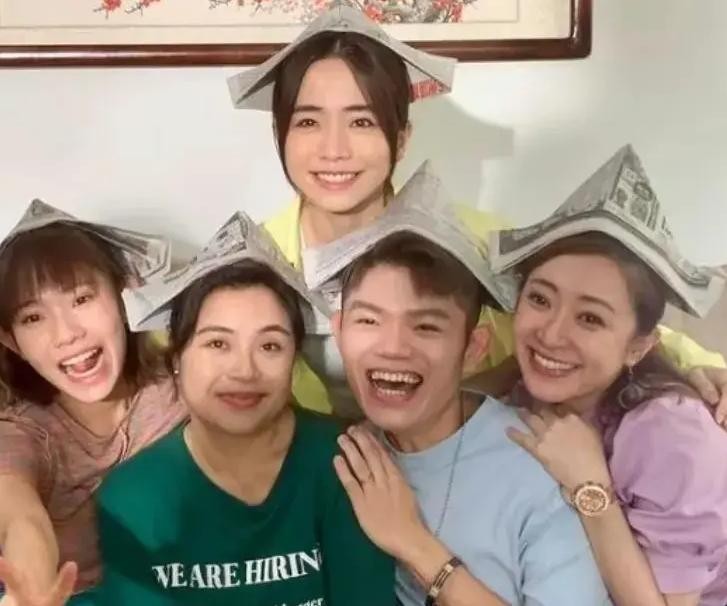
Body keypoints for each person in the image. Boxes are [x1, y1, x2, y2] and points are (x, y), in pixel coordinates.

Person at [227, 3, 727, 420]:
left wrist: (698, 365)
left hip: (464, 460)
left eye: (361, 122)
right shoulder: (257, 259)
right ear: (280, 135)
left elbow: (600, 310)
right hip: (320, 475)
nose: (334, 150)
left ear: (401, 139)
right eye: (308, 122)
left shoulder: (475, 240)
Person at [305, 183, 612, 604]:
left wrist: (414, 543)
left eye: (426, 326)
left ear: (472, 349)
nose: (393, 347)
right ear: (339, 333)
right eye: (369, 321)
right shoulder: (340, 455)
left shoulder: (538, 464)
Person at [91, 212, 395, 605]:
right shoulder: (134, 498)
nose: (244, 370)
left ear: (293, 360)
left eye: (270, 346)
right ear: (177, 358)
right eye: (218, 344)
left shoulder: (345, 463)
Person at [501, 148, 727, 605]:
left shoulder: (671, 432)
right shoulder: (526, 397)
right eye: (540, 299)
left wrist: (591, 487)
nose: (551, 334)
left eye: (590, 318)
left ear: (638, 346)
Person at [0, 200, 185, 605]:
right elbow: (19, 517)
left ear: (122, 297)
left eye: (81, 299)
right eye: (33, 318)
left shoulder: (181, 388)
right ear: (12, 341)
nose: (67, 334)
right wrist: (31, 589)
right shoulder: (23, 433)